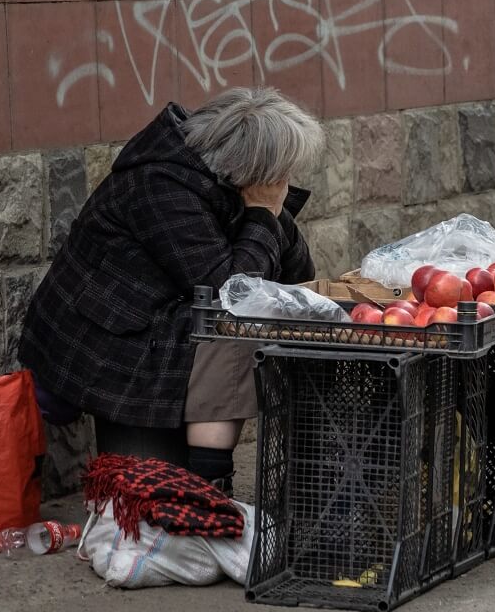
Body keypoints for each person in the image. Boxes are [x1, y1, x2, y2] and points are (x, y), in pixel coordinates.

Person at [20, 87, 322, 492]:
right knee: (230, 331)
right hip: (109, 350)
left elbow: (297, 278)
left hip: (159, 333)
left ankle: (208, 485)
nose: (286, 181)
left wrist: (272, 213)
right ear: (252, 168)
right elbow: (229, 293)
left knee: (249, 326)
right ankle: (211, 490)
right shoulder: (161, 186)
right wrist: (263, 216)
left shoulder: (227, 184)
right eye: (281, 173)